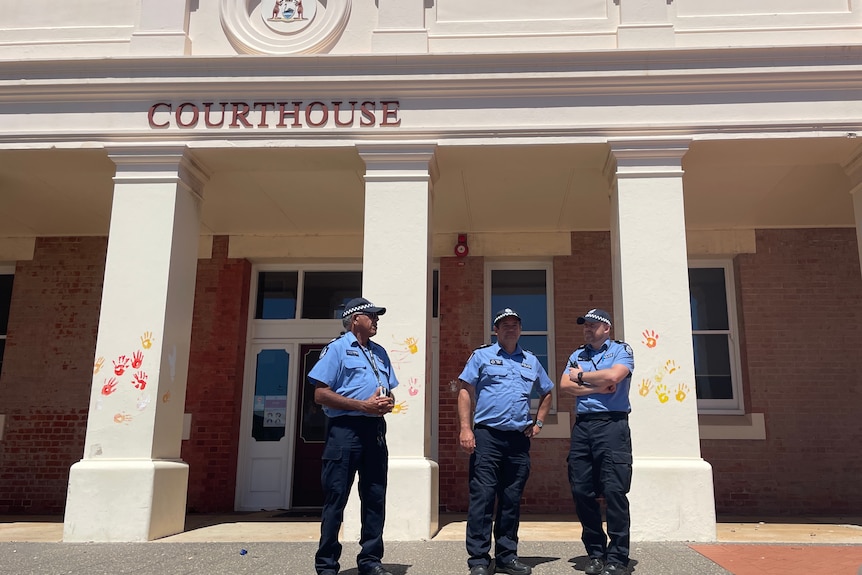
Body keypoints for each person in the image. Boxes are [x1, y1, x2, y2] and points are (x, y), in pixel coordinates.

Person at [457, 308, 555, 575]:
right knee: (483, 498)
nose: (510, 329)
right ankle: (478, 559)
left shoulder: (531, 361)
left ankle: (506, 556)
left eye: (514, 325)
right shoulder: (482, 356)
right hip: (487, 437)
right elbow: (466, 391)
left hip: (518, 440)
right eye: (504, 325)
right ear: (496, 330)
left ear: (520, 329)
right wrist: (466, 429)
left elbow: (547, 391)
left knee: (511, 499)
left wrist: (539, 423)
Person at [309, 297, 398, 575]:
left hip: (374, 432)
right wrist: (363, 405)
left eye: (377, 316)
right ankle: (326, 565)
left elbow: (389, 389)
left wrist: (388, 402)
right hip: (345, 431)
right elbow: (320, 394)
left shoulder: (380, 352)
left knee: (374, 497)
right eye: (371, 316)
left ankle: (370, 560)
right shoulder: (336, 349)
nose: (376, 320)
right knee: (337, 498)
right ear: (355, 318)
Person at [560, 309, 635, 575]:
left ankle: (617, 558)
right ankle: (595, 553)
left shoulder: (621, 350)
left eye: (593, 325)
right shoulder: (577, 354)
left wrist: (581, 377)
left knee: (614, 491)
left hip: (612, 426)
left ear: (607, 328)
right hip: (583, 427)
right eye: (585, 325)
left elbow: (614, 376)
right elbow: (564, 385)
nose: (587, 329)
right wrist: (597, 386)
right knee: (581, 491)